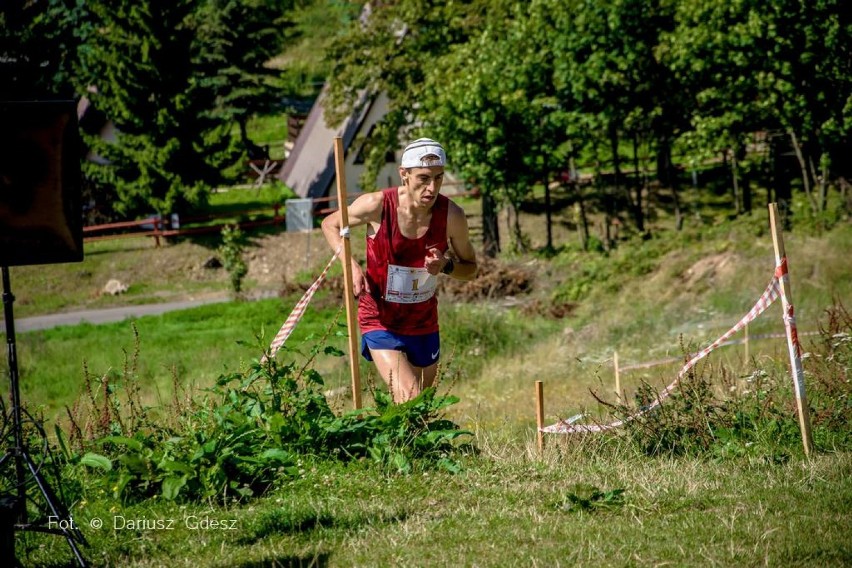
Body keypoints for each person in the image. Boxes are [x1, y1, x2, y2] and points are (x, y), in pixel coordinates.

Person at [321, 138, 477, 402]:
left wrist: (446, 265)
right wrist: (351, 265)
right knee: (410, 396)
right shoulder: (378, 205)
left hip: (423, 321)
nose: (431, 188)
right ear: (404, 174)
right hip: (380, 319)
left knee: (421, 407)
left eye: (438, 178)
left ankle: (395, 442)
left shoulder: (452, 215)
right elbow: (330, 224)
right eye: (423, 178)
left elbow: (470, 269)